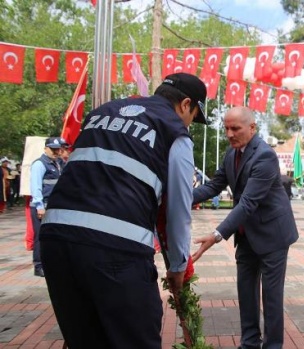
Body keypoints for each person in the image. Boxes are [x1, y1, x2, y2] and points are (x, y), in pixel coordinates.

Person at [39, 73, 208, 349]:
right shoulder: (174, 131)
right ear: (185, 104)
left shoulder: (101, 112)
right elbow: (178, 207)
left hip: (56, 242)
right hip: (115, 249)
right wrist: (178, 267)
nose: (190, 124)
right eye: (193, 116)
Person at [191, 106, 299, 349]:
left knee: (271, 298)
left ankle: (272, 346)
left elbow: (249, 201)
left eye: (235, 128)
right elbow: (213, 186)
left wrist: (217, 235)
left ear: (252, 128)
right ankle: (249, 344)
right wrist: (178, 199)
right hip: (246, 235)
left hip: (273, 234)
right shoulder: (231, 154)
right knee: (246, 294)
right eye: (226, 128)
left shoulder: (265, 155)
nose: (229, 134)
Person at [28, 139, 63, 277]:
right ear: (45, 149)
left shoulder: (58, 164)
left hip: (54, 207)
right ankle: (39, 265)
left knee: (52, 237)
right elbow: (35, 186)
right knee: (40, 237)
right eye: (53, 149)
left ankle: (51, 263)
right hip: (42, 208)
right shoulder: (40, 164)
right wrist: (39, 206)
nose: (56, 152)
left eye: (58, 149)